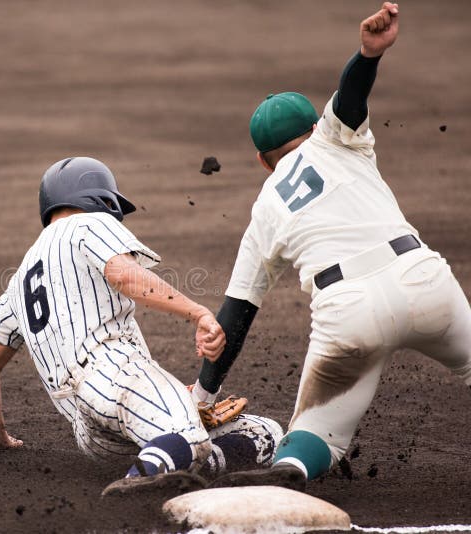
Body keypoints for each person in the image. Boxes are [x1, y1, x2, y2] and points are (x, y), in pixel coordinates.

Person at [189, 2, 471, 492]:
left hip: (347, 312)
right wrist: (368, 54)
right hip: (423, 279)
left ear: (262, 162)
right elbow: (351, 97)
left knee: (314, 435)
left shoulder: (264, 210)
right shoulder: (337, 138)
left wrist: (202, 394)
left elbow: (236, 315)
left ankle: (291, 469)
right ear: (314, 128)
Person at [0, 156, 283, 495]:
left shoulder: (16, 287)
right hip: (117, 374)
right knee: (188, 436)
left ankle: (174, 462)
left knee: (265, 433)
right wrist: (197, 313)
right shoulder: (88, 223)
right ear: (100, 198)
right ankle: (134, 491)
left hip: (91, 434)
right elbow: (124, 275)